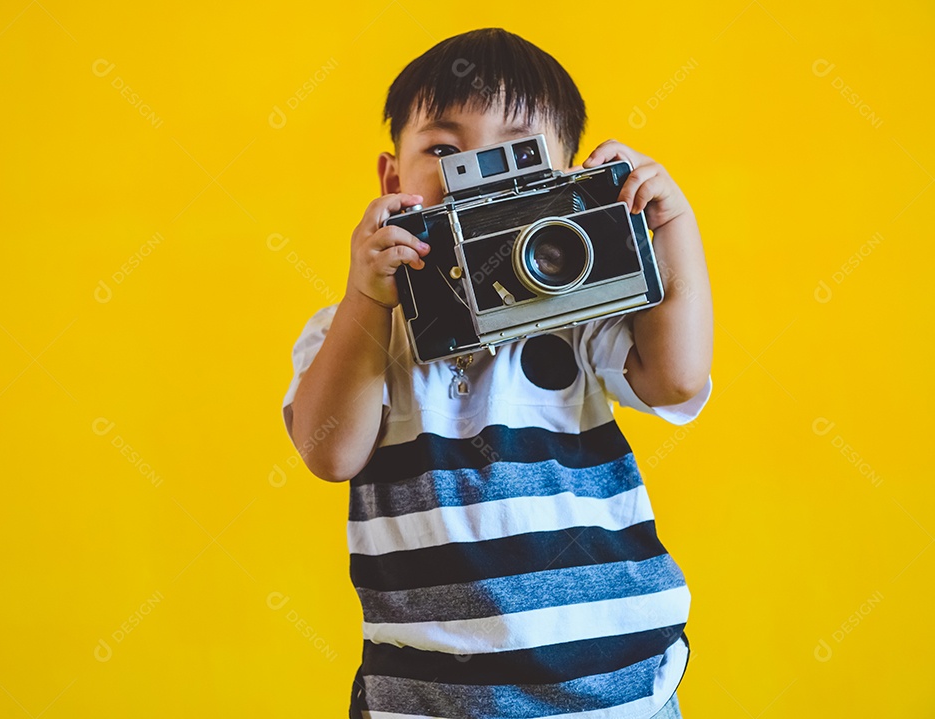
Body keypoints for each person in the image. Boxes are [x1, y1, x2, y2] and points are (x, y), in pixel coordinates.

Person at [280, 27, 712, 719]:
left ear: (568, 173)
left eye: (517, 153)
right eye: (445, 151)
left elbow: (677, 377)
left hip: (619, 689)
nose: (480, 173)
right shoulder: (355, 332)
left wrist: (673, 225)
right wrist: (367, 297)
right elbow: (329, 452)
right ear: (392, 181)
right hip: (429, 699)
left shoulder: (578, 313)